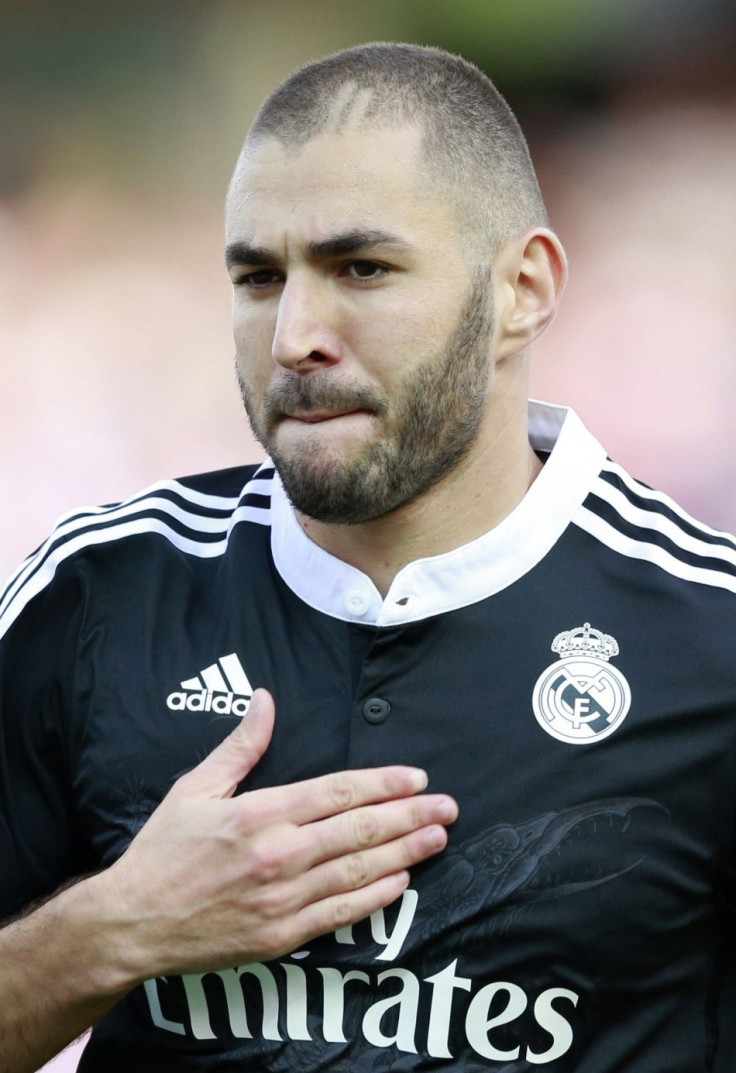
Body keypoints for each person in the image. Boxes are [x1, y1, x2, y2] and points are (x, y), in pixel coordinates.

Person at [1, 41, 735, 1073]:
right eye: (258, 277)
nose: (296, 332)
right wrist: (115, 927)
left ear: (521, 288)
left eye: (361, 268)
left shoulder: (706, 639)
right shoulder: (96, 597)